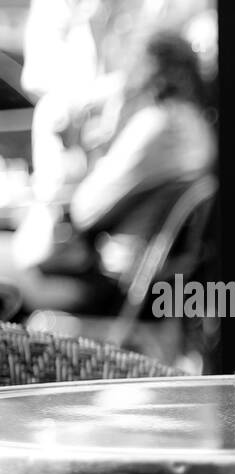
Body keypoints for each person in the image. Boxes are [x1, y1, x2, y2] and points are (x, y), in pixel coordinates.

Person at [0, 29, 214, 318]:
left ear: (147, 69)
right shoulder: (198, 129)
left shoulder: (157, 127)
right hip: (159, 278)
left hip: (121, 284)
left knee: (5, 260)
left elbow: (86, 209)